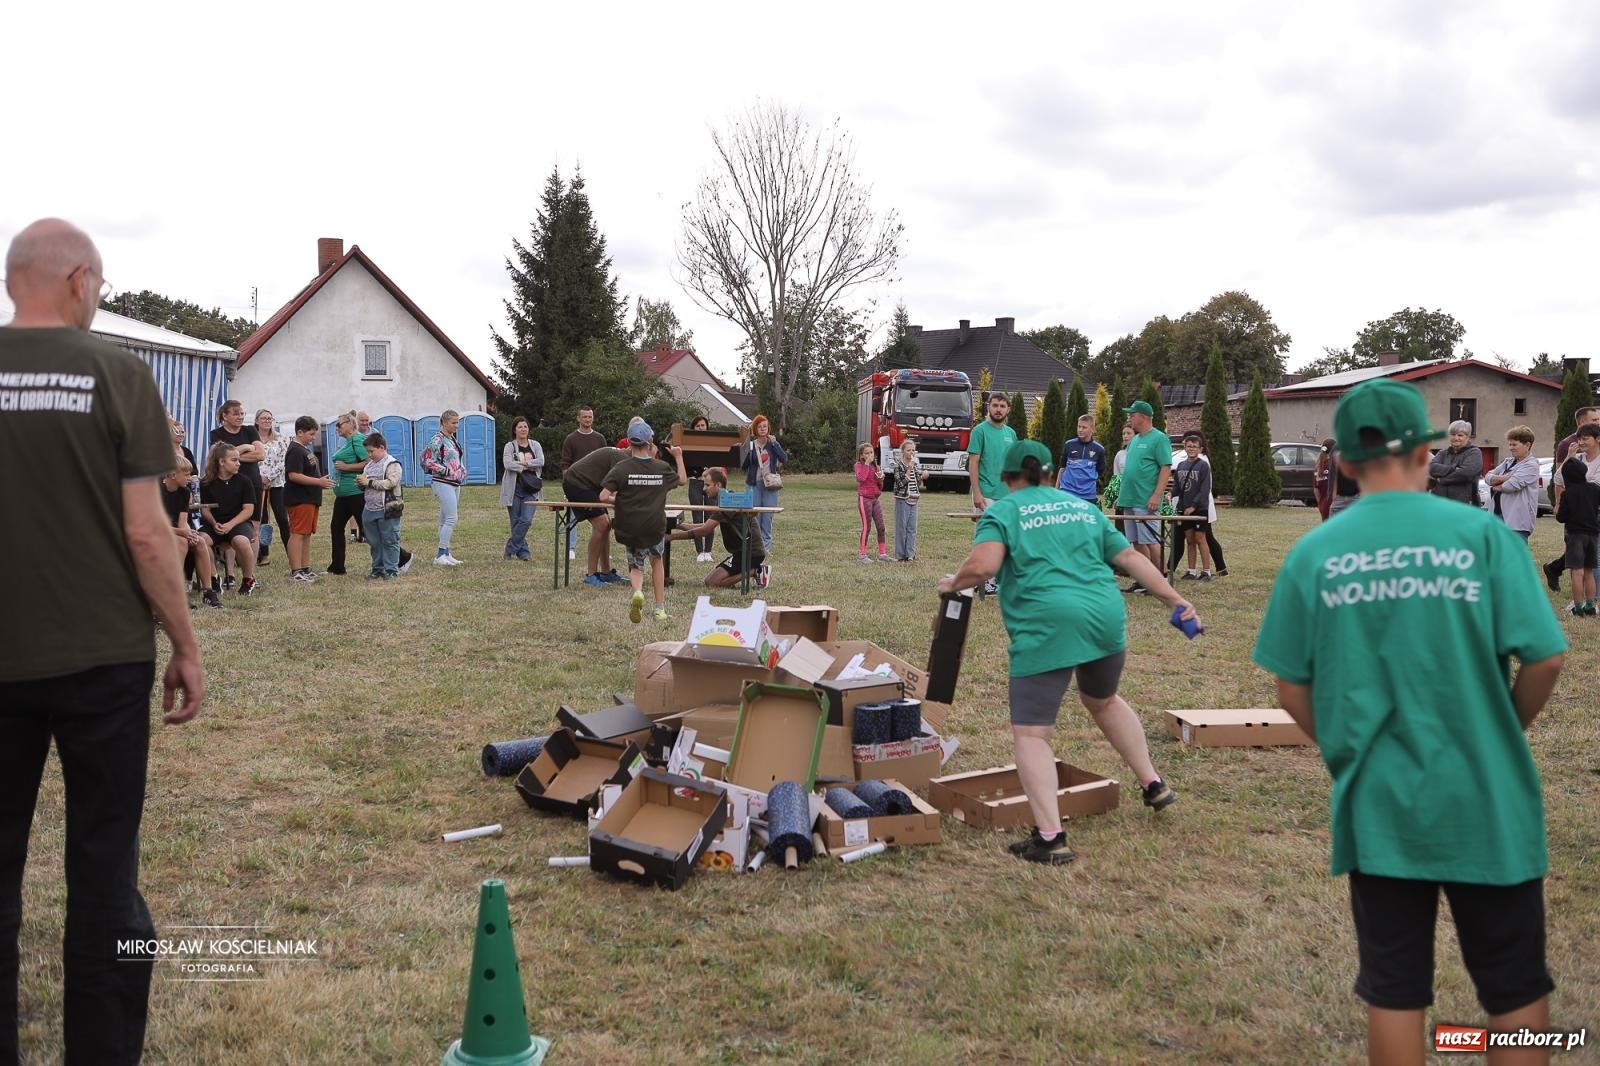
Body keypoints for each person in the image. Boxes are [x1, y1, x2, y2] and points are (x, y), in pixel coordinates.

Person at [1251, 378, 1565, 1066]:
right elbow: (1544, 659)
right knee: (1513, 988)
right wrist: (1507, 728)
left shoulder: (1317, 552)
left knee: (1395, 991)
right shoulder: (1482, 536)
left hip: (1381, 802)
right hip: (1488, 795)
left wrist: (1341, 746)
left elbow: (1289, 683)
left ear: (1345, 464)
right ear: (1425, 453)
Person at [1, 218, 204, 1066]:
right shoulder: (117, 374)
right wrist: (186, 644)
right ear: (80, 279)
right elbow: (150, 535)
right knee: (103, 872)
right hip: (103, 661)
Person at [937, 440, 1192, 865]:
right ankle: (1153, 783)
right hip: (1105, 617)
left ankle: (1051, 837)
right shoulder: (1083, 508)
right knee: (1103, 699)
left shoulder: (1003, 510)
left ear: (1007, 476)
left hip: (1049, 623)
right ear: (1052, 473)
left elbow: (983, 566)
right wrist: (1175, 600)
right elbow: (1129, 557)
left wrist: (952, 583)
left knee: (1033, 734)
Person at [600, 423, 686, 623]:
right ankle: (659, 609)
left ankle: (638, 591)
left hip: (630, 526)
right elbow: (682, 480)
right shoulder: (661, 468)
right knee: (657, 562)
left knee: (636, 567)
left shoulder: (621, 469)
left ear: (629, 443)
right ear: (650, 442)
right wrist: (678, 456)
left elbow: (603, 496)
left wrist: (618, 500)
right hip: (654, 526)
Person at [667, 467, 768, 588]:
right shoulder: (725, 499)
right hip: (744, 552)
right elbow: (705, 526)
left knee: (712, 582)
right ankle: (752, 570)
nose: (704, 489)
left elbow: (704, 531)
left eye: (707, 485)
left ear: (718, 485)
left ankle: (756, 571)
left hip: (750, 553)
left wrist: (671, 537)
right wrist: (679, 525)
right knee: (712, 580)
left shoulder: (727, 503)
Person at [1114, 400, 1171, 594]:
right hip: (1129, 498)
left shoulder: (1159, 439)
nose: (1130, 417)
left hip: (1146, 500)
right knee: (1136, 542)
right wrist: (1120, 496)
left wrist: (1157, 495)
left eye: (1133, 414)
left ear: (1144, 417)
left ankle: (1161, 579)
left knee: (1151, 540)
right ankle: (1145, 579)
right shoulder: (1135, 440)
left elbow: (1165, 467)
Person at [1544, 406, 1600, 591]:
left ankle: (1592, 598)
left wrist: (1576, 483)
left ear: (1597, 440)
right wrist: (1570, 457)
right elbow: (1559, 479)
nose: (1581, 443)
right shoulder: (1577, 458)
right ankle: (1581, 599)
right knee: (1577, 562)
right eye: (1580, 439)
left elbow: (1594, 485)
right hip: (1575, 517)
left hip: (1594, 515)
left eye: (1586, 439)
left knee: (1592, 561)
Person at [209, 399, 265, 575]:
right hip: (227, 484)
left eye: (242, 413)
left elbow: (260, 454)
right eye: (235, 413)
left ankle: (251, 573)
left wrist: (232, 456)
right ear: (224, 415)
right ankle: (230, 573)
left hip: (252, 483)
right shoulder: (216, 434)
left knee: (254, 526)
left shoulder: (250, 430)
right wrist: (243, 448)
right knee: (230, 527)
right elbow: (216, 457)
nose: (240, 417)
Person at [159, 449, 221, 609]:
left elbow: (182, 521)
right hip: (157, 533)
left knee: (200, 542)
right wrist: (183, 533)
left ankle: (208, 591)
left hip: (175, 531)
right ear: (173, 475)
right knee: (182, 542)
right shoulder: (156, 491)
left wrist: (189, 532)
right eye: (186, 474)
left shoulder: (184, 493)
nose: (190, 478)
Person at [563, 443, 629, 585]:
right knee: (602, 524)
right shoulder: (622, 458)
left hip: (591, 487)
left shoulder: (624, 456)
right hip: (576, 483)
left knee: (606, 525)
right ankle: (591, 575)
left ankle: (606, 573)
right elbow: (615, 490)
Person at [200, 443, 259, 596]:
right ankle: (214, 578)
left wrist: (230, 525)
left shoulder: (244, 481)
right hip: (214, 523)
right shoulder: (206, 482)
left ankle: (248, 579)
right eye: (234, 460)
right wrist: (214, 523)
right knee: (201, 541)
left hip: (238, 522)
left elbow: (248, 510)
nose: (238, 463)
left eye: (238, 460)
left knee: (241, 541)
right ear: (221, 462)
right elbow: (204, 509)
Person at [283, 415, 333, 582]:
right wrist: (318, 481)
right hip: (299, 498)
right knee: (297, 533)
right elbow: (294, 475)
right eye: (311, 434)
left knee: (306, 534)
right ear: (300, 432)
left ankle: (305, 568)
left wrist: (320, 481)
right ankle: (295, 570)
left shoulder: (304, 449)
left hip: (310, 499)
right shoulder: (295, 450)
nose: (313, 438)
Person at [561, 404, 608, 561]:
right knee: (572, 519)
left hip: (597, 486)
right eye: (585, 417)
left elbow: (606, 463)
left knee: (602, 520)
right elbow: (565, 465)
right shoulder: (571, 439)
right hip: (577, 485)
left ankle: (603, 549)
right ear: (578, 418)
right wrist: (569, 485)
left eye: (590, 417)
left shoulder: (599, 438)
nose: (587, 420)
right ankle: (571, 549)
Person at [1554, 456, 1599, 616]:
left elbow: (1561, 517)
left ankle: (1578, 608)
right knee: (1589, 571)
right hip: (1593, 535)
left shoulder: (1568, 493)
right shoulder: (1595, 489)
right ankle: (1591, 606)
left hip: (1575, 535)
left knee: (1577, 572)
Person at [356, 432, 405, 580]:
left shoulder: (392, 464)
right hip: (369, 509)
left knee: (390, 540)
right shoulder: (369, 465)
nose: (369, 455)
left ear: (382, 447)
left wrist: (369, 483)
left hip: (387, 509)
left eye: (372, 451)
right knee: (374, 542)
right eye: (368, 452)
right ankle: (377, 568)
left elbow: (391, 483)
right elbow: (365, 483)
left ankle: (391, 570)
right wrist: (360, 484)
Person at [420, 409, 466, 566]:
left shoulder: (451, 439)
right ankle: (440, 555)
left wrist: (461, 470)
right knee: (452, 518)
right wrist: (446, 470)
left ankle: (446, 553)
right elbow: (428, 461)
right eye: (454, 423)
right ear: (444, 423)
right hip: (442, 481)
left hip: (454, 482)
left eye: (457, 422)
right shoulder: (436, 440)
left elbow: (455, 458)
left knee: (445, 518)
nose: (456, 426)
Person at [326, 412, 366, 575]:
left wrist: (347, 468)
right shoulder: (347, 442)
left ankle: (401, 557)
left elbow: (368, 463)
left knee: (369, 530)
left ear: (350, 424)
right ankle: (337, 566)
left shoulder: (357, 440)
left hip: (355, 493)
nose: (337, 427)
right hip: (343, 495)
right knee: (336, 527)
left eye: (339, 424)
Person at [741, 413, 787, 554]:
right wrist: (745, 451)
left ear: (768, 428)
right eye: (759, 426)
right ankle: (756, 548)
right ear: (755, 428)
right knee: (755, 517)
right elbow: (743, 466)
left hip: (770, 486)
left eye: (765, 426)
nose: (762, 429)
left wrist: (775, 443)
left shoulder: (772, 444)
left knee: (767, 517)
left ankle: (766, 549)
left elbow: (784, 458)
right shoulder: (750, 445)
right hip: (754, 485)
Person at [500, 417, 544, 562]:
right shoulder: (509, 446)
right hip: (514, 489)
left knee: (526, 520)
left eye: (525, 426)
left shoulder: (535, 444)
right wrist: (525, 466)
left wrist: (523, 463)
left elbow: (541, 461)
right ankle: (524, 553)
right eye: (520, 427)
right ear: (515, 430)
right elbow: (507, 464)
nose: (523, 429)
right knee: (516, 522)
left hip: (531, 489)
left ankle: (509, 549)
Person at [1171, 433, 1214, 580]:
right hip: (1184, 507)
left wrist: (1194, 506)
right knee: (1189, 540)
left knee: (1200, 538)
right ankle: (1191, 570)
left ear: (1200, 449)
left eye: (1195, 446)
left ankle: (1206, 571)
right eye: (1189, 446)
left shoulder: (1203, 466)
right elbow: (1178, 486)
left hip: (1199, 509)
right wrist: (1170, 494)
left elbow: (1205, 489)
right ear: (1184, 447)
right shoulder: (1181, 465)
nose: (1191, 449)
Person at [1486, 425, 1540, 541]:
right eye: (1510, 444)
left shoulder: (1531, 465)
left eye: (1514, 444)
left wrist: (1498, 483)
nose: (1511, 448)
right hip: (1497, 516)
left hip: (1517, 520)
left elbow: (1511, 485)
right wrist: (1506, 477)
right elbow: (1487, 477)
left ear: (1527, 445)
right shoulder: (1507, 462)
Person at [254, 408, 290, 565]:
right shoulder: (252, 440)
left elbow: (283, 461)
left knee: (282, 518)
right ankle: (264, 554)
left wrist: (269, 477)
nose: (267, 421)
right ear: (257, 421)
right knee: (262, 519)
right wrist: (260, 477)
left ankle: (291, 551)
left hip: (276, 483)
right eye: (263, 418)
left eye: (269, 418)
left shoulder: (280, 439)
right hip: (258, 483)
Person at [1428, 420, 1483, 505]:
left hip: (1463, 504)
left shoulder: (1474, 452)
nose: (1456, 438)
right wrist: (1454, 468)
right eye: (1453, 434)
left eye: (1460, 435)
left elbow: (1466, 474)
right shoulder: (1442, 453)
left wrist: (1442, 480)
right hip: (1439, 503)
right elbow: (1432, 468)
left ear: (1467, 437)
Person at [684, 416, 715, 561]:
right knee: (697, 516)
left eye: (703, 425)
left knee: (710, 516)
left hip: (710, 483)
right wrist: (699, 473)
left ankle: (708, 551)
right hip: (695, 483)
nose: (701, 428)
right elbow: (687, 465)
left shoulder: (712, 443)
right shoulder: (688, 444)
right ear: (693, 428)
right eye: (698, 425)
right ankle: (699, 552)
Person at [1057, 414, 1106, 503]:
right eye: (1079, 426)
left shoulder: (1099, 449)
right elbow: (1062, 468)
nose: (1080, 430)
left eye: (1084, 427)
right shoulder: (1069, 445)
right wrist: (1056, 489)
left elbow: (1100, 471)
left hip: (1088, 495)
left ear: (1092, 429)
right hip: (1067, 492)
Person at [854, 443, 888, 563]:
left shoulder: (876, 467)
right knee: (866, 527)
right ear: (862, 456)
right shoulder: (859, 466)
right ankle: (862, 555)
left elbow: (880, 486)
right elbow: (861, 478)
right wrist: (867, 464)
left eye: (871, 452)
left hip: (875, 499)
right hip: (865, 499)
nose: (870, 455)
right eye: (867, 453)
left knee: (881, 527)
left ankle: (882, 553)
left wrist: (880, 479)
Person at [890, 439, 922, 562]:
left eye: (913, 450)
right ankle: (900, 554)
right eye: (909, 450)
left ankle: (910, 554)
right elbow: (901, 483)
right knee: (901, 527)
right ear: (903, 451)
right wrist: (908, 470)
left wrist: (922, 476)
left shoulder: (915, 465)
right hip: (902, 499)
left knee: (912, 528)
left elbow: (917, 482)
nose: (911, 453)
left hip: (914, 498)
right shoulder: (898, 466)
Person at [1313, 437, 1335, 521]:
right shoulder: (1332, 465)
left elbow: (1316, 490)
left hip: (1323, 506)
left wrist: (1320, 504)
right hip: (1334, 505)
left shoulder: (1318, 468)